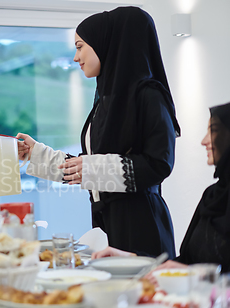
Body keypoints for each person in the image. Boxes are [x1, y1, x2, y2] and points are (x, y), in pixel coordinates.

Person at [17, 6, 181, 258]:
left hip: (141, 225)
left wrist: (92, 168)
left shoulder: (149, 95)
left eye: (80, 46)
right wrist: (35, 153)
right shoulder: (106, 100)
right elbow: (89, 166)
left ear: (107, 44)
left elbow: (160, 164)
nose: (75, 56)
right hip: (107, 222)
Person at [93, 102, 230, 273]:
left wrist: (193, 274)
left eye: (214, 130)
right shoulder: (212, 195)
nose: (204, 141)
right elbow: (185, 264)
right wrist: (130, 258)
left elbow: (192, 271)